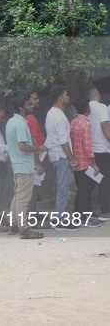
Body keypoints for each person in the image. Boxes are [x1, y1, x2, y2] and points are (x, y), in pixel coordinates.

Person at [6, 92, 43, 239]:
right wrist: (37, 148)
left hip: (17, 165)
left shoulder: (11, 122)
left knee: (17, 196)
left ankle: (13, 224)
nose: (31, 105)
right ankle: (24, 229)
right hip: (24, 166)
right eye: (28, 104)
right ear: (21, 108)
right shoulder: (21, 123)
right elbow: (22, 146)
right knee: (23, 199)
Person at [44, 85, 79, 231]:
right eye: (66, 95)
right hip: (61, 156)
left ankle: (60, 218)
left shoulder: (51, 113)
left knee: (62, 188)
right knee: (63, 189)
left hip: (56, 155)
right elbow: (63, 141)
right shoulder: (58, 116)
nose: (68, 97)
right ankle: (60, 220)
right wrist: (72, 159)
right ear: (60, 98)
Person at [70, 97, 102, 227]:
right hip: (85, 163)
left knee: (81, 190)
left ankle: (79, 215)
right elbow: (88, 146)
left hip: (76, 162)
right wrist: (94, 164)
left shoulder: (73, 122)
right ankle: (84, 218)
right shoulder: (85, 123)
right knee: (85, 191)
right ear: (88, 108)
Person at [85, 85, 110, 221]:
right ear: (98, 94)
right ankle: (105, 211)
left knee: (90, 182)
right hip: (101, 149)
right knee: (105, 181)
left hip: (89, 150)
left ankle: (87, 210)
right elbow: (105, 127)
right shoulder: (102, 108)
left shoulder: (85, 108)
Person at [26, 90, 46, 218]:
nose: (37, 101)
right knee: (32, 189)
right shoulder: (30, 118)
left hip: (38, 158)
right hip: (35, 160)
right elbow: (32, 142)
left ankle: (33, 212)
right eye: (34, 98)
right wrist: (36, 164)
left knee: (35, 188)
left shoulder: (31, 117)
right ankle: (31, 215)